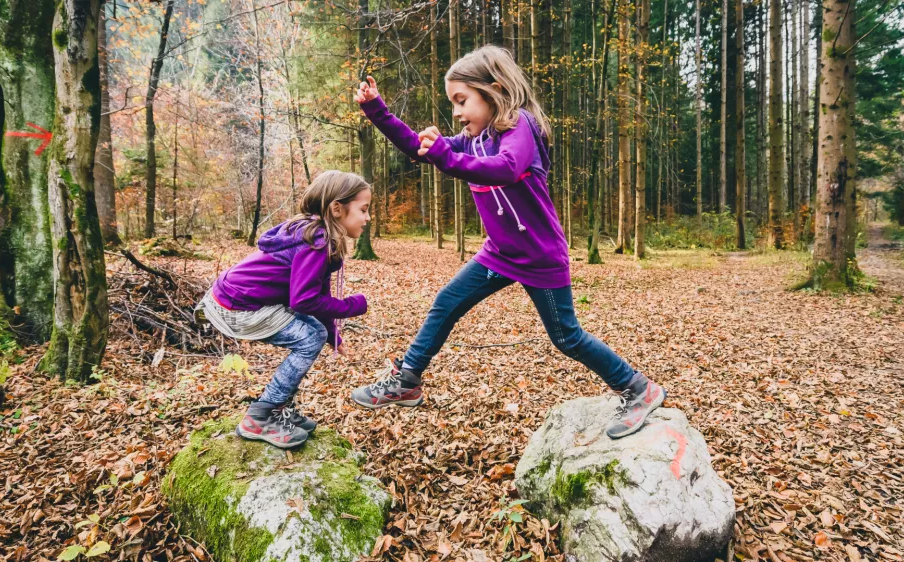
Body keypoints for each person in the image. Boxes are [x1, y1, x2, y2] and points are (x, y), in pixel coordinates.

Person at [351, 46, 665, 439]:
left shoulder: (522, 127)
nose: (457, 112)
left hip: (539, 257)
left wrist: (447, 157)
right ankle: (408, 379)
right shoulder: (472, 140)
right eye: (453, 104)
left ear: (494, 90)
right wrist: (377, 110)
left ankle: (638, 388)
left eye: (462, 100)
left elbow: (507, 167)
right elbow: (419, 148)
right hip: (497, 254)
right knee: (447, 301)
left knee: (567, 337)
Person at [195, 171, 371, 448]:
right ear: (337, 208)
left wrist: (332, 334)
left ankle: (278, 409)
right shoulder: (317, 242)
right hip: (237, 306)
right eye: (363, 209)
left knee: (313, 332)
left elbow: (316, 294)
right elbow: (303, 301)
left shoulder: (315, 234)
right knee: (309, 337)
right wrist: (351, 306)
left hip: (229, 297)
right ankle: (261, 417)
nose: (368, 218)